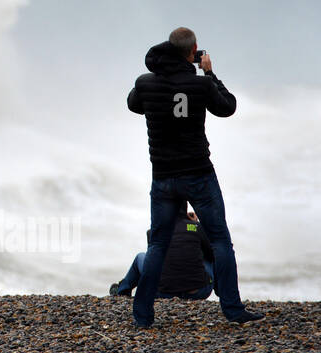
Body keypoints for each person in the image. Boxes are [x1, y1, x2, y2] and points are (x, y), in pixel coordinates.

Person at [126, 27, 263, 327]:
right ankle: (233, 310)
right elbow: (228, 107)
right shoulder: (200, 86)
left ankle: (143, 317)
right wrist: (210, 74)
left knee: (158, 245)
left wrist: (163, 66)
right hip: (199, 174)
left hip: (163, 178)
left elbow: (133, 103)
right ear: (194, 52)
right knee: (220, 242)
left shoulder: (146, 84)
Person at [110, 207, 214, 300]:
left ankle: (122, 291)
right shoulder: (196, 227)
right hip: (198, 292)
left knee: (141, 257)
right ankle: (225, 294)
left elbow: (152, 263)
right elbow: (211, 254)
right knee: (211, 256)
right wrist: (195, 224)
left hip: (163, 293)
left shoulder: (153, 232)